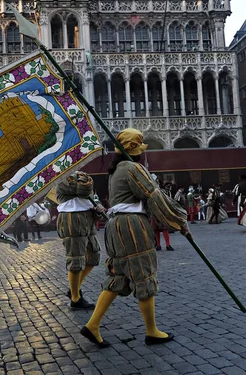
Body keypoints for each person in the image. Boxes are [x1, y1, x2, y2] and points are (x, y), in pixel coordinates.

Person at [81, 128, 189, 348]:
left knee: (117, 276)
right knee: (143, 274)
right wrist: (180, 222)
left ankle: (92, 325)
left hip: (115, 227)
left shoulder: (116, 170)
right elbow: (154, 196)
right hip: (132, 227)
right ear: (133, 150)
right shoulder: (132, 168)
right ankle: (151, 331)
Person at [56, 171, 103, 310]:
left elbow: (92, 196)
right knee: (75, 259)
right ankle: (75, 298)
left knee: (93, 255)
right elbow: (81, 189)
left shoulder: (82, 175)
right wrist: (86, 179)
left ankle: (73, 289)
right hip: (72, 219)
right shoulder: (60, 177)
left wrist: (98, 208)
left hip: (87, 218)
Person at [152, 177, 174, 251]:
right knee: (156, 230)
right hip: (154, 212)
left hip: (162, 212)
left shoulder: (163, 191)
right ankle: (158, 245)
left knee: (165, 229)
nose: (156, 183)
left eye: (157, 182)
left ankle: (168, 245)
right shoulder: (150, 191)